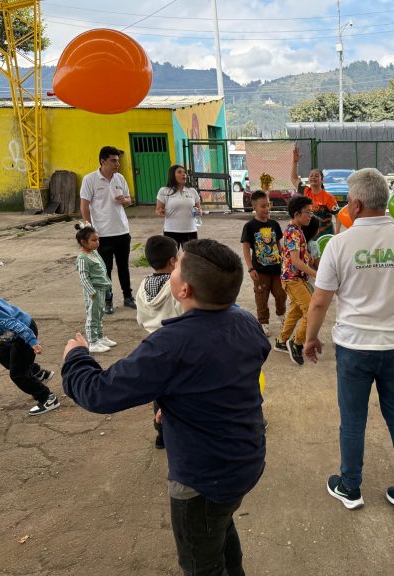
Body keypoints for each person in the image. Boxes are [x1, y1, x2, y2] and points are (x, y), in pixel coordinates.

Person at [62, 239, 269, 576]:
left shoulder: (170, 345)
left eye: (176, 267)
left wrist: (76, 357)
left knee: (200, 559)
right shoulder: (246, 321)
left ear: (184, 290)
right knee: (219, 527)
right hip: (245, 460)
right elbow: (235, 370)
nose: (171, 268)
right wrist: (180, 401)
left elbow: (99, 393)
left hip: (203, 480)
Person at [303, 168, 394, 518]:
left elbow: (319, 301)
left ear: (356, 203)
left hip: (354, 348)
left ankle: (350, 487)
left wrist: (310, 338)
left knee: (353, 420)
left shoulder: (339, 244)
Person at [0, 271, 59, 416]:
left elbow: (11, 322)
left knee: (18, 374)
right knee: (3, 357)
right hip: (12, 334)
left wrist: (31, 341)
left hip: (23, 333)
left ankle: (47, 398)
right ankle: (39, 373)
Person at [135, 235, 183, 449]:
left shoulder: (143, 285)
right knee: (180, 389)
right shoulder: (176, 286)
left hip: (153, 344)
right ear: (173, 261)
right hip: (176, 343)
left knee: (160, 392)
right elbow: (183, 312)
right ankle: (179, 431)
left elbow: (140, 318)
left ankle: (161, 434)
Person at [80, 145, 136, 314]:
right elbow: (84, 205)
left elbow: (129, 200)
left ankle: (128, 297)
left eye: (117, 160)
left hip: (122, 231)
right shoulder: (90, 179)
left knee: (124, 267)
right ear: (103, 161)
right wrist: (90, 228)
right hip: (102, 234)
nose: (116, 164)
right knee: (105, 269)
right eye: (113, 161)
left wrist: (125, 201)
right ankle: (108, 300)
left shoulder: (120, 178)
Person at [276, 195, 317, 366]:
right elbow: (295, 261)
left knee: (296, 311)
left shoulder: (297, 230)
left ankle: (281, 341)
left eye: (311, 212)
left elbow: (300, 256)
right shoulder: (293, 232)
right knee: (311, 310)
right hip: (293, 280)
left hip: (296, 278)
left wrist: (309, 257)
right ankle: (296, 343)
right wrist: (316, 273)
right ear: (296, 213)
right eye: (307, 212)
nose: (310, 216)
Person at [240, 190, 286, 337]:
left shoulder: (274, 224)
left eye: (268, 205)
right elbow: (246, 248)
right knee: (261, 298)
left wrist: (284, 260)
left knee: (281, 294)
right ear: (254, 207)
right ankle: (264, 323)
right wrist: (250, 268)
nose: (266, 209)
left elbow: (278, 243)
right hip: (260, 270)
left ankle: (282, 316)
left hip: (277, 269)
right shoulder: (250, 226)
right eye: (262, 206)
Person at [75, 224, 116, 354]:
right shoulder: (82, 258)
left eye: (97, 239)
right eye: (93, 240)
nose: (97, 242)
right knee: (92, 316)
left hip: (102, 289)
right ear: (83, 242)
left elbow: (103, 269)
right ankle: (92, 342)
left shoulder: (94, 252)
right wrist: (91, 292)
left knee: (99, 314)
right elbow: (84, 277)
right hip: (93, 291)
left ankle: (100, 337)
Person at [290, 147, 340, 238]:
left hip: (325, 237)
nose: (313, 177)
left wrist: (337, 235)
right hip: (308, 236)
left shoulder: (328, 197)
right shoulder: (305, 191)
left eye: (316, 176)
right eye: (311, 176)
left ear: (322, 180)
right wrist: (295, 162)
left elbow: (338, 216)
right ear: (308, 179)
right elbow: (294, 178)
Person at [156, 164, 202, 247]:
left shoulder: (192, 191)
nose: (183, 174)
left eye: (184, 172)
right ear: (172, 175)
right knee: (172, 258)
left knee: (191, 257)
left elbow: (199, 209)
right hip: (171, 231)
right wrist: (160, 211)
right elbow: (158, 209)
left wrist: (199, 212)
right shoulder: (164, 191)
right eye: (179, 172)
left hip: (190, 230)